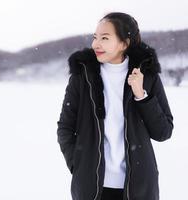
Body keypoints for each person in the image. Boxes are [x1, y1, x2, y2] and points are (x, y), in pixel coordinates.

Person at [56, 12, 174, 200]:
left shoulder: (147, 76)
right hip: (92, 188)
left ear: (124, 43)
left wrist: (141, 95)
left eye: (104, 38)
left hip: (139, 188)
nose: (96, 44)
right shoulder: (82, 76)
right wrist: (78, 166)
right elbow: (65, 127)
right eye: (95, 37)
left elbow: (163, 132)